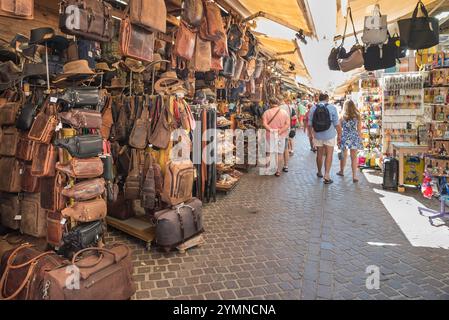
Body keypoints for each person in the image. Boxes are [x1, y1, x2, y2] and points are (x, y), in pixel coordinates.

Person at [308, 93, 342, 185]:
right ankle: (326, 175)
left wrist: (310, 134)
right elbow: (336, 123)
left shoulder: (313, 108)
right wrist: (340, 134)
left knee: (319, 153)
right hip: (329, 135)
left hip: (318, 134)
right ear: (327, 99)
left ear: (319, 99)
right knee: (329, 154)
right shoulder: (332, 108)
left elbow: (310, 123)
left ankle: (319, 172)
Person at [262, 98, 290, 177]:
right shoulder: (284, 112)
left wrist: (271, 130)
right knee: (279, 153)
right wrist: (280, 131)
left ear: (270, 103)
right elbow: (287, 124)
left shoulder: (266, 112)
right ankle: (277, 170)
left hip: (269, 135)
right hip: (281, 135)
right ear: (278, 103)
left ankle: (268, 170)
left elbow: (264, 124)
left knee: (269, 152)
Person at [337, 99, 363, 183]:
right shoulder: (357, 116)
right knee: (354, 157)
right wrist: (359, 139)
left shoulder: (342, 116)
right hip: (354, 136)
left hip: (345, 136)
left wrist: (339, 138)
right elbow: (359, 130)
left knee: (343, 155)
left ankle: (341, 171)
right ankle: (354, 176)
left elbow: (339, 129)